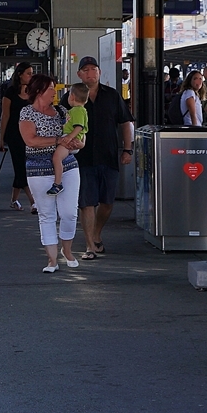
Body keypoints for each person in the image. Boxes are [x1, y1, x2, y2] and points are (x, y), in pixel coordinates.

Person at [62, 56, 134, 260]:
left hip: (108, 155)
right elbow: (61, 122)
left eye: (94, 69)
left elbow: (125, 122)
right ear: (78, 75)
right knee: (87, 202)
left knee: (107, 202)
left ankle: (96, 233)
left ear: (100, 73)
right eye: (85, 70)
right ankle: (90, 246)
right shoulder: (70, 96)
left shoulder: (112, 95)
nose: (90, 73)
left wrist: (127, 150)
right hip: (81, 158)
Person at [20, 73, 83, 273]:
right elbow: (30, 140)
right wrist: (58, 140)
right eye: (50, 89)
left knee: (69, 213)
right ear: (39, 91)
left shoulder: (62, 110)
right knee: (46, 215)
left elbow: (79, 134)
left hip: (68, 165)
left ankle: (67, 250)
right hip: (38, 169)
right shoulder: (27, 113)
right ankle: (52, 259)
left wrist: (78, 143)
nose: (54, 93)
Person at [0, 62, 38, 215]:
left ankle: (14, 200)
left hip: (30, 135)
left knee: (22, 167)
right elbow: (5, 115)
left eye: (32, 73)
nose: (31, 76)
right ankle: (33, 202)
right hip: (14, 135)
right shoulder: (10, 92)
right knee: (22, 168)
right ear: (20, 74)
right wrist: (1, 139)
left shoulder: (33, 92)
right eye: (28, 73)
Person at [50, 83, 89, 195]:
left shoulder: (77, 110)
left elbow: (79, 127)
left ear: (72, 96)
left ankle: (57, 183)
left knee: (56, 158)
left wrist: (69, 137)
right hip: (73, 139)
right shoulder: (79, 110)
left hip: (70, 139)